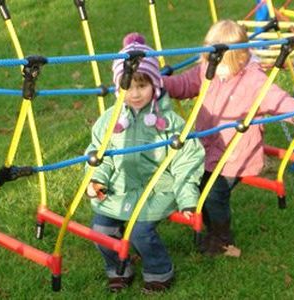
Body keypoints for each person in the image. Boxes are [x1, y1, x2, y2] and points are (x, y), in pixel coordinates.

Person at [162, 20, 294, 257]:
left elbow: (275, 98)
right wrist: (158, 84)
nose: (215, 69)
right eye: (211, 61)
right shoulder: (207, 69)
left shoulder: (253, 80)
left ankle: (222, 238)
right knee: (200, 187)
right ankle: (210, 228)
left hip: (235, 153)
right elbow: (182, 85)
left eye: (222, 65)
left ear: (242, 60)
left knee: (215, 194)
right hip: (205, 147)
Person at [85, 33, 205, 293]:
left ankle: (159, 270)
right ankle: (119, 267)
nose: (135, 94)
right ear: (119, 88)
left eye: (143, 86)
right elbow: (99, 153)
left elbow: (188, 160)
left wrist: (187, 198)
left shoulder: (169, 122)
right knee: (100, 229)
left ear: (156, 85)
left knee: (140, 231)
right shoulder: (109, 120)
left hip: (157, 188)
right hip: (119, 186)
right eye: (128, 87)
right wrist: (97, 179)